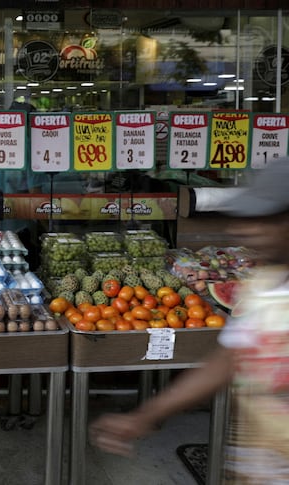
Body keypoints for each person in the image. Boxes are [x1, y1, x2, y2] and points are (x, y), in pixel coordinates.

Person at [90, 158, 289, 483]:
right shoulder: (262, 287)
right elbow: (227, 361)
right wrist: (144, 416)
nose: (246, 229)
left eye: (265, 219)